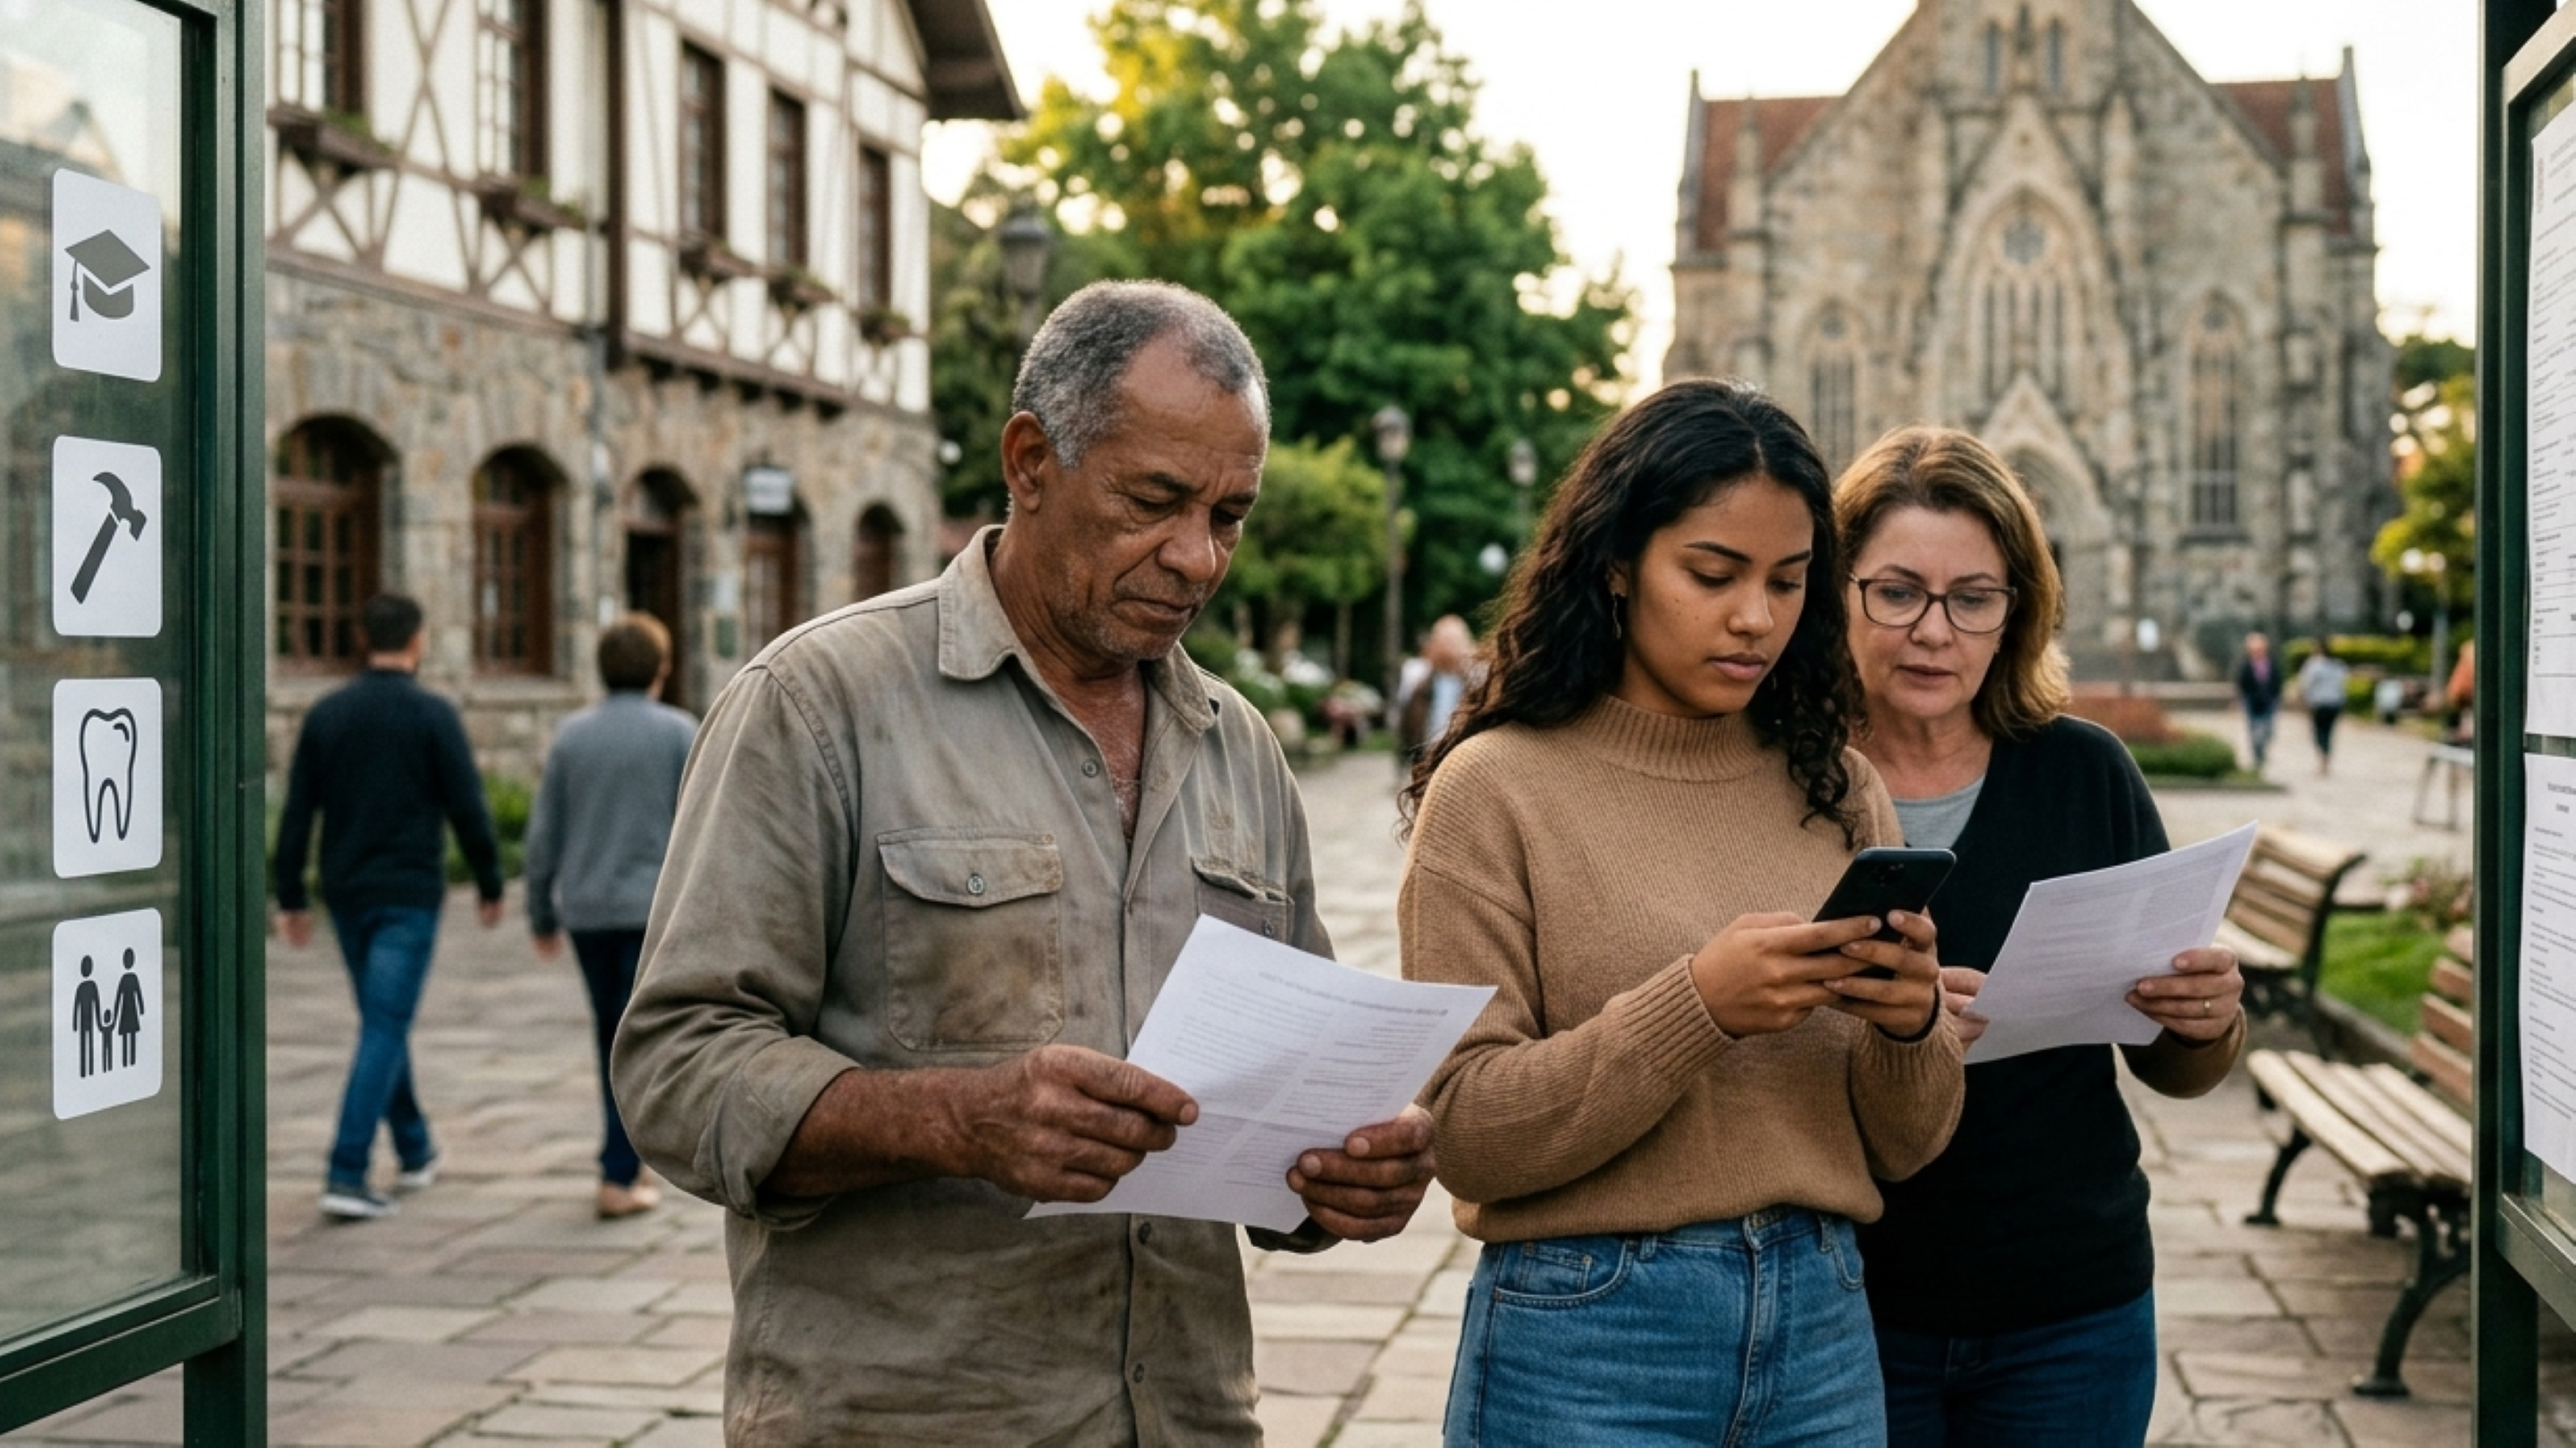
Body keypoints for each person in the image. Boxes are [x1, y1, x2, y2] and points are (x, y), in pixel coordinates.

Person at [612, 281, 1437, 1444]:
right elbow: (674, 1071)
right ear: (1029, 461)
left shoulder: (1240, 747)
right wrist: (953, 1119)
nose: (1197, 557)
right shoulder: (816, 705)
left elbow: (1281, 1118)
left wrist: (1341, 1177)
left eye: (1230, 515)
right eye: (1155, 500)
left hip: (1188, 1416)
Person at [1399, 379, 1964, 1446]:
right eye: (1711, 573)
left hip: (1824, 1328)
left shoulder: (1839, 788)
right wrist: (1696, 1005)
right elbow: (1464, 1132)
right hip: (1589, 1340)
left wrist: (1908, 1025)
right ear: (1616, 563)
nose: (1754, 616)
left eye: (1789, 582)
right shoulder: (1495, 788)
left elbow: (1907, 1144)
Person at [1832, 427, 2245, 1446]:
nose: (1935, 630)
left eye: (1972, 598)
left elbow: (2172, 1070)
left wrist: (2205, 1024)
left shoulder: (2083, 773)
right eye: (1896, 592)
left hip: (2068, 1305)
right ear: (1835, 591)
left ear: (2016, 610)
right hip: (1844, 1301)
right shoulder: (1784, 781)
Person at [274, 593, 504, 1221]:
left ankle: (416, 1147)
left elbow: (299, 810)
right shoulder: (433, 715)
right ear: (417, 641)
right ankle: (346, 1170)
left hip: (347, 894)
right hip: (407, 896)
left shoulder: (328, 714)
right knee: (383, 1024)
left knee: (383, 1019)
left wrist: (290, 891)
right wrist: (489, 881)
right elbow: (468, 805)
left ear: (361, 637)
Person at [524, 613, 697, 1218]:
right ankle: (619, 1174)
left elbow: (544, 834)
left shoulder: (572, 736)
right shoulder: (681, 733)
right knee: (647, 1040)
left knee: (611, 1035)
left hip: (590, 912)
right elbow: (704, 830)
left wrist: (541, 911)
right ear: (662, 669)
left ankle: (625, 1166)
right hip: (656, 912)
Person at [1394, 614, 1479, 754]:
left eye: (1453, 642)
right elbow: (1407, 721)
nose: (1448, 648)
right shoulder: (1419, 681)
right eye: (1444, 641)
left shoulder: (1476, 685)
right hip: (1427, 753)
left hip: (1462, 753)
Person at [2296, 637, 2352, 775]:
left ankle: (2322, 757)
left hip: (2319, 703)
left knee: (2318, 732)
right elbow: (2343, 683)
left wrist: (2304, 697)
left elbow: (2305, 683)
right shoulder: (2338, 665)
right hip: (2334, 703)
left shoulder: (2314, 665)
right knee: (2329, 732)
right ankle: (2326, 757)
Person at [2233, 630, 2282, 773]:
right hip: (2252, 701)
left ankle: (2262, 748)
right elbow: (2241, 684)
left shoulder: (2272, 664)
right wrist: (2240, 700)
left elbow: (2277, 681)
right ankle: (2257, 754)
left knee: (2268, 730)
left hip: (2268, 701)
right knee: (2254, 730)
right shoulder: (2246, 666)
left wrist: (2276, 696)